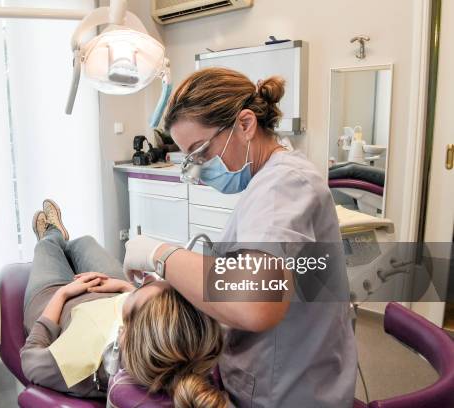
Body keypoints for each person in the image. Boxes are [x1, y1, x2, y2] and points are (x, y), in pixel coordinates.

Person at [123, 67, 357, 408]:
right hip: (286, 375)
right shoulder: (272, 180)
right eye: (191, 158)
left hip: (286, 391)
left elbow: (256, 302)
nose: (199, 169)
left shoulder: (282, 185)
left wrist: (162, 255)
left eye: (201, 151)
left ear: (245, 125)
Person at [21, 199, 227, 407]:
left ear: (125, 330)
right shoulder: (155, 336)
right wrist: (123, 287)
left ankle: (51, 232)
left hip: (57, 300)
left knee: (48, 247)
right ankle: (63, 238)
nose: (146, 278)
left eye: (145, 287)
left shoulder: (83, 365)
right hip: (108, 287)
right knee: (84, 242)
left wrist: (63, 294)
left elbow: (30, 359)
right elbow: (149, 313)